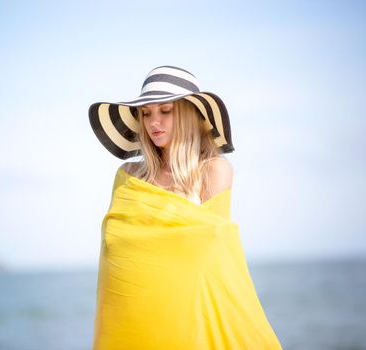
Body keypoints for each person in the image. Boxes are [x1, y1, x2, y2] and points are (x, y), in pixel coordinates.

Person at [88, 65, 282, 349]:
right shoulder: (128, 176)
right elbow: (116, 251)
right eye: (146, 113)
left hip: (188, 321)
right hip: (133, 321)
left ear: (190, 114)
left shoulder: (214, 172)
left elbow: (211, 258)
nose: (154, 122)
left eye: (165, 111)